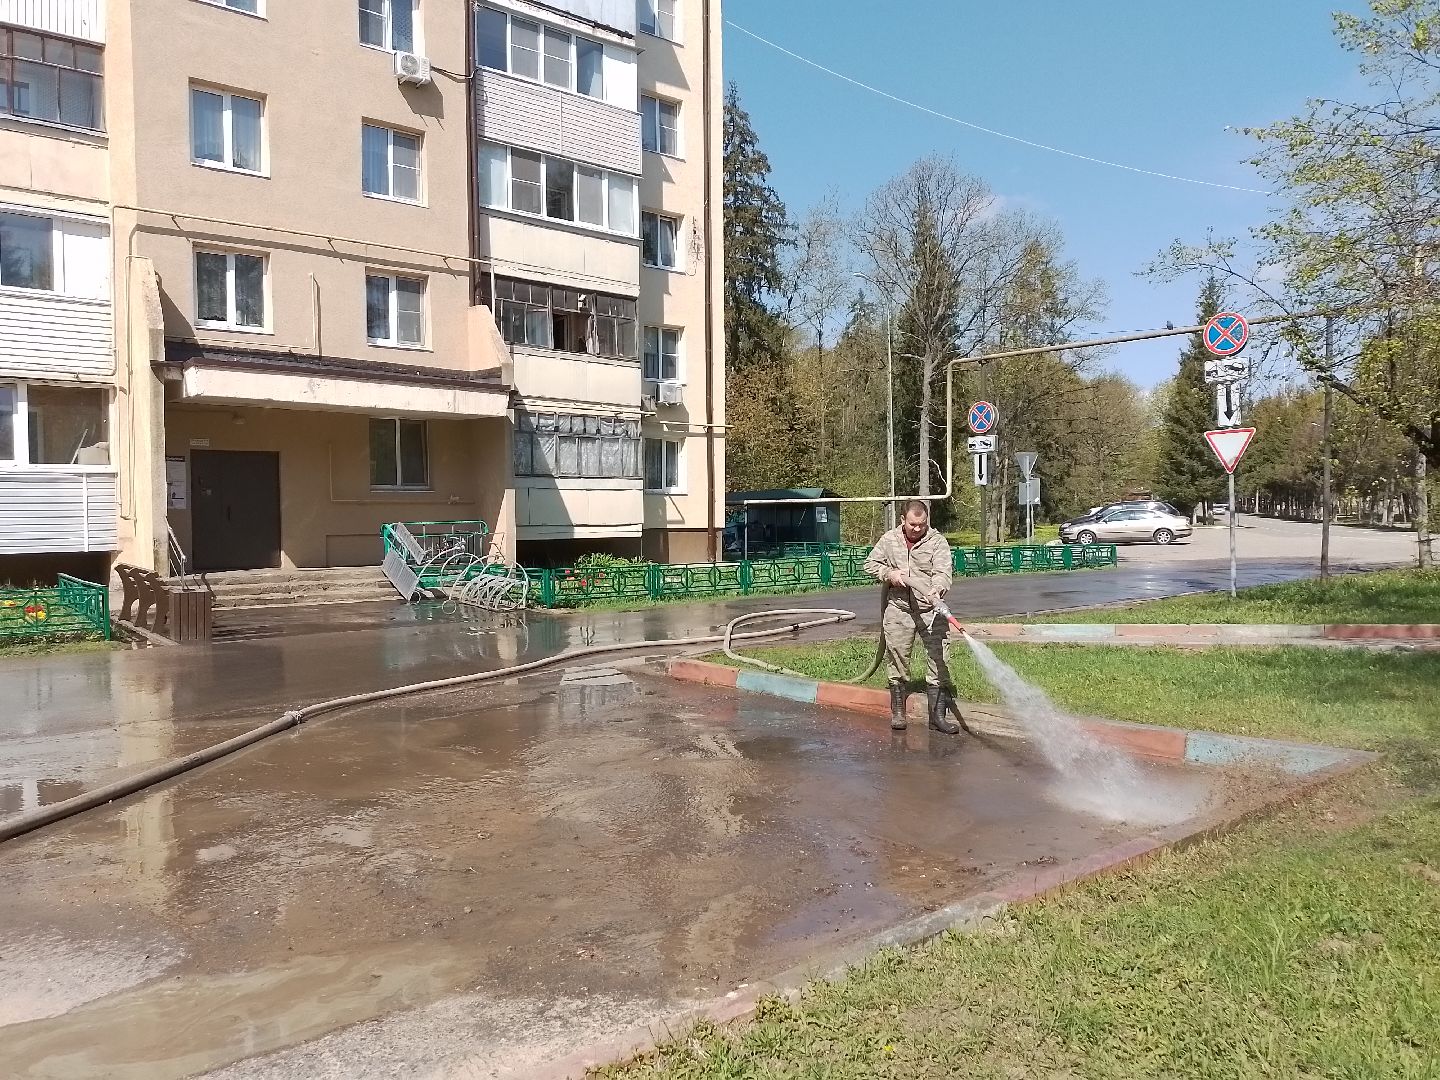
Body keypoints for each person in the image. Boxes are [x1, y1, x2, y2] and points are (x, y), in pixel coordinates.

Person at [862, 500, 962, 734]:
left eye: (922, 524)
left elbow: (943, 573)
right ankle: (898, 712)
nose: (917, 529)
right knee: (897, 657)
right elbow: (869, 563)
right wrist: (889, 573)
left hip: (931, 610)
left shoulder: (937, 541)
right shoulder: (889, 540)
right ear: (903, 520)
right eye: (913, 524)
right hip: (899, 609)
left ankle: (936, 717)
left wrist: (937, 589)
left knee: (939, 659)